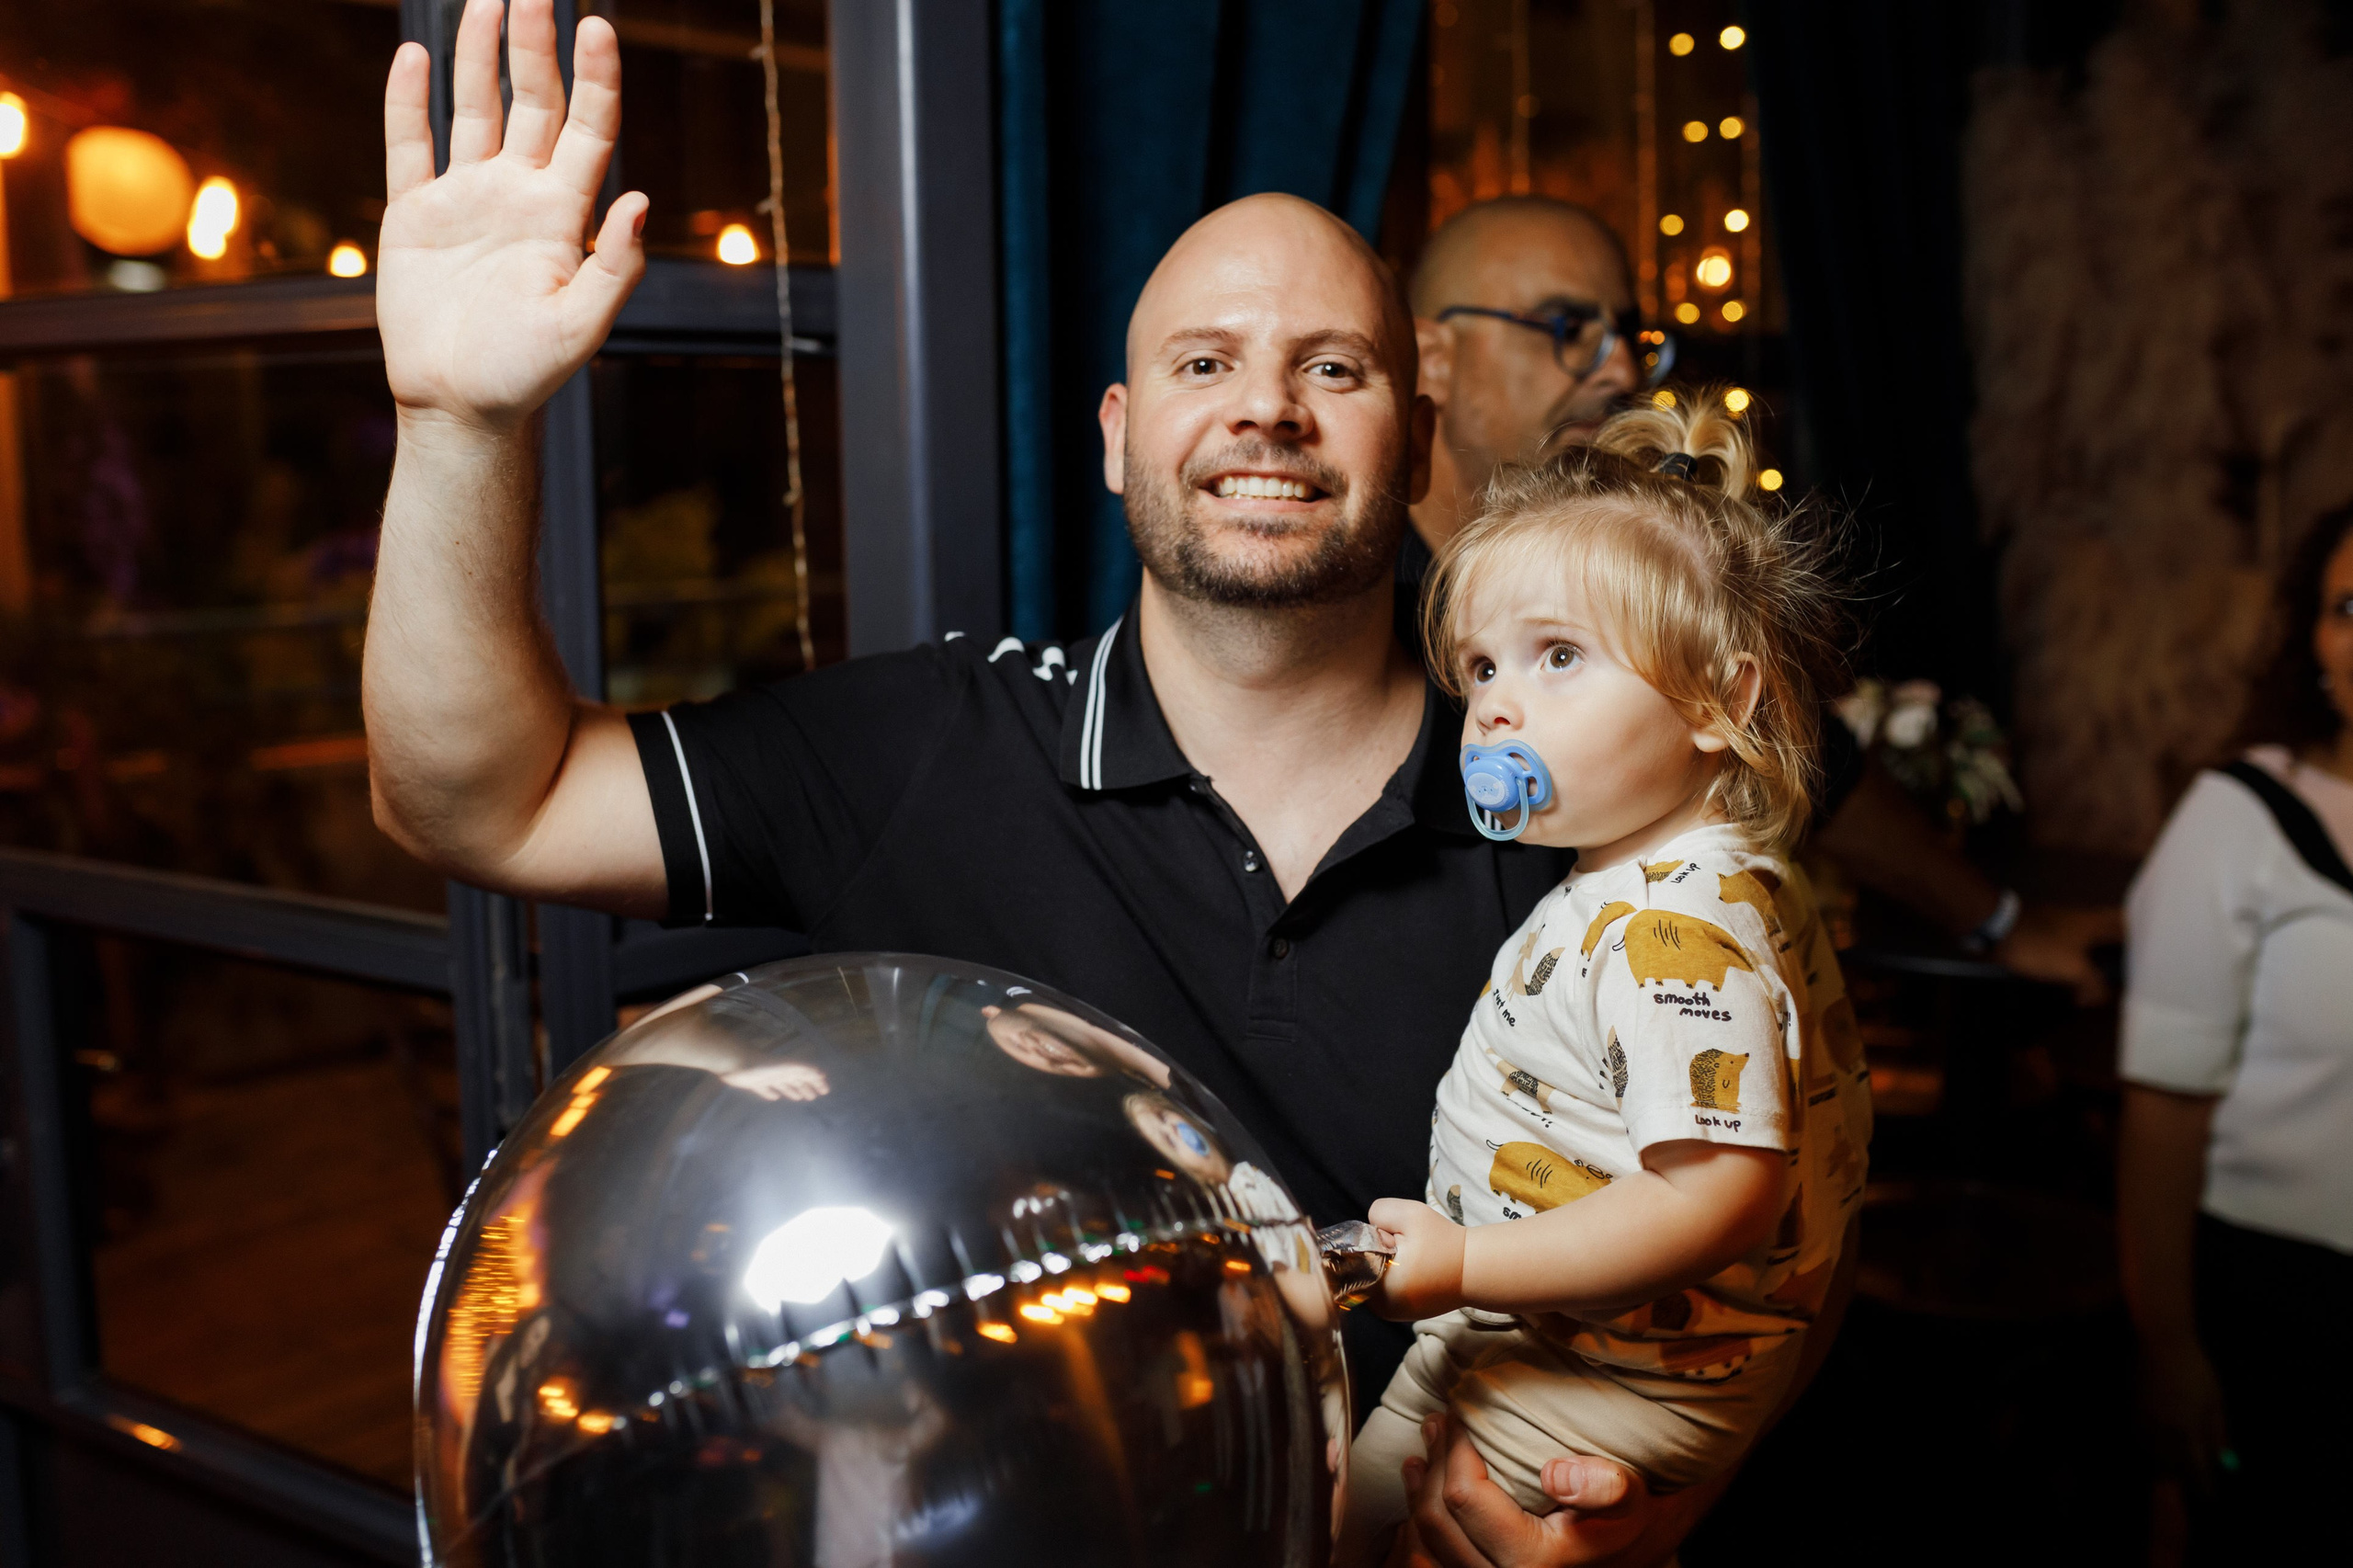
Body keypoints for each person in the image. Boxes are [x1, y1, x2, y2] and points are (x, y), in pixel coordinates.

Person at [369, 5, 1685, 1556]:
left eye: (1334, 367)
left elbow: (1778, 1179)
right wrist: (459, 421)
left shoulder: (1586, 789)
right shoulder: (928, 745)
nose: (1266, 407)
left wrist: (1658, 1487)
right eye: (1207, 362)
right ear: (1120, 439)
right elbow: (477, 797)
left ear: (1415, 432)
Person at [1335, 397, 1870, 1565]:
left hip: (1615, 1369)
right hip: (1548, 1332)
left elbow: (1717, 1193)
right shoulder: (1674, 881)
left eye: (1558, 655)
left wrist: (1467, 1262)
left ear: (1718, 704)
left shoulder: (1670, 926)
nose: (1496, 706)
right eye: (1481, 666)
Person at [1406, 196, 2121, 1005]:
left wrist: (1998, 923)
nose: (1617, 372)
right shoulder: (1353, 592)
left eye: (1629, 338)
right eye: (1567, 327)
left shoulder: (1654, 581)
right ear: (1430, 355)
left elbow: (1821, 765)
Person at [2116, 503, 2353, 1562]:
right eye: (2348, 606)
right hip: (2285, 1303)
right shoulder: (2242, 817)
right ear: (2311, 636)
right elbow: (2163, 1112)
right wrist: (2169, 1348)